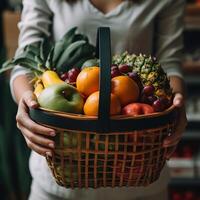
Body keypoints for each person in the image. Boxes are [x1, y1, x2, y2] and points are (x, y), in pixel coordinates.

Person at [10, 0, 187, 199]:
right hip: (59, 176)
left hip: (139, 174)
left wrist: (177, 103)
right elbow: (24, 62)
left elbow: (170, 62)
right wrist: (27, 101)